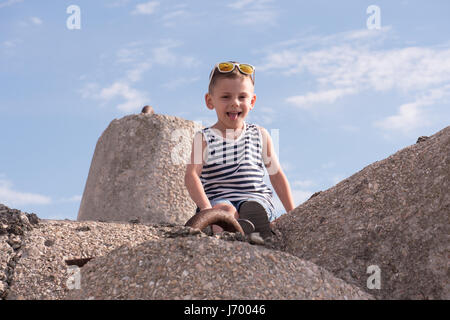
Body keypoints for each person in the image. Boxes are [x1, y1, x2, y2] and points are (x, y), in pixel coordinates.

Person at [184, 61, 295, 238]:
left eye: (242, 97)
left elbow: (276, 175)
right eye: (226, 97)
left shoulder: (260, 134)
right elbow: (191, 175)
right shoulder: (204, 138)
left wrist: (292, 211)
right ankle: (231, 233)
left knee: (252, 206)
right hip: (217, 200)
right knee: (224, 210)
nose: (235, 103)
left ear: (252, 101)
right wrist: (206, 208)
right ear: (210, 101)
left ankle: (252, 226)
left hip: (255, 197)